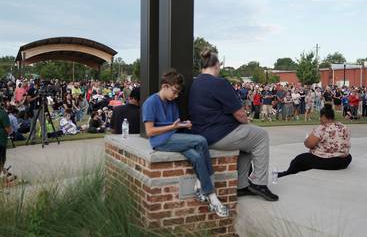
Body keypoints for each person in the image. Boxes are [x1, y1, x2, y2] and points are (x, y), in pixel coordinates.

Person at [189, 49, 279, 202]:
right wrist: (246, 122)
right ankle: (259, 183)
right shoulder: (219, 83)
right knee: (261, 136)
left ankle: (242, 185)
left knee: (248, 144)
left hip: (202, 133)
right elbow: (240, 114)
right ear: (217, 65)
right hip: (219, 134)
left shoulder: (195, 83)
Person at [142, 70, 228, 217]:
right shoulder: (150, 102)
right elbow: (149, 132)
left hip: (175, 136)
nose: (176, 96)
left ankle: (200, 184)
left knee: (196, 156)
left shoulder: (172, 103)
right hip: (161, 141)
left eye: (178, 93)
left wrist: (183, 124)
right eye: (174, 92)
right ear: (165, 86)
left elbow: (174, 124)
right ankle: (211, 195)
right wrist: (173, 127)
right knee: (201, 141)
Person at [278, 104, 352, 178]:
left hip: (329, 161)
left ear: (323, 116)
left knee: (299, 159)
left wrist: (307, 139)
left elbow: (309, 144)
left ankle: (287, 173)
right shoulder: (343, 126)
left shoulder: (322, 128)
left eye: (320, 117)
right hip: (344, 161)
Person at [0, 105, 13, 183]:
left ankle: (5, 172)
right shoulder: (2, 113)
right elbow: (8, 129)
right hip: (1, 140)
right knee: (1, 160)